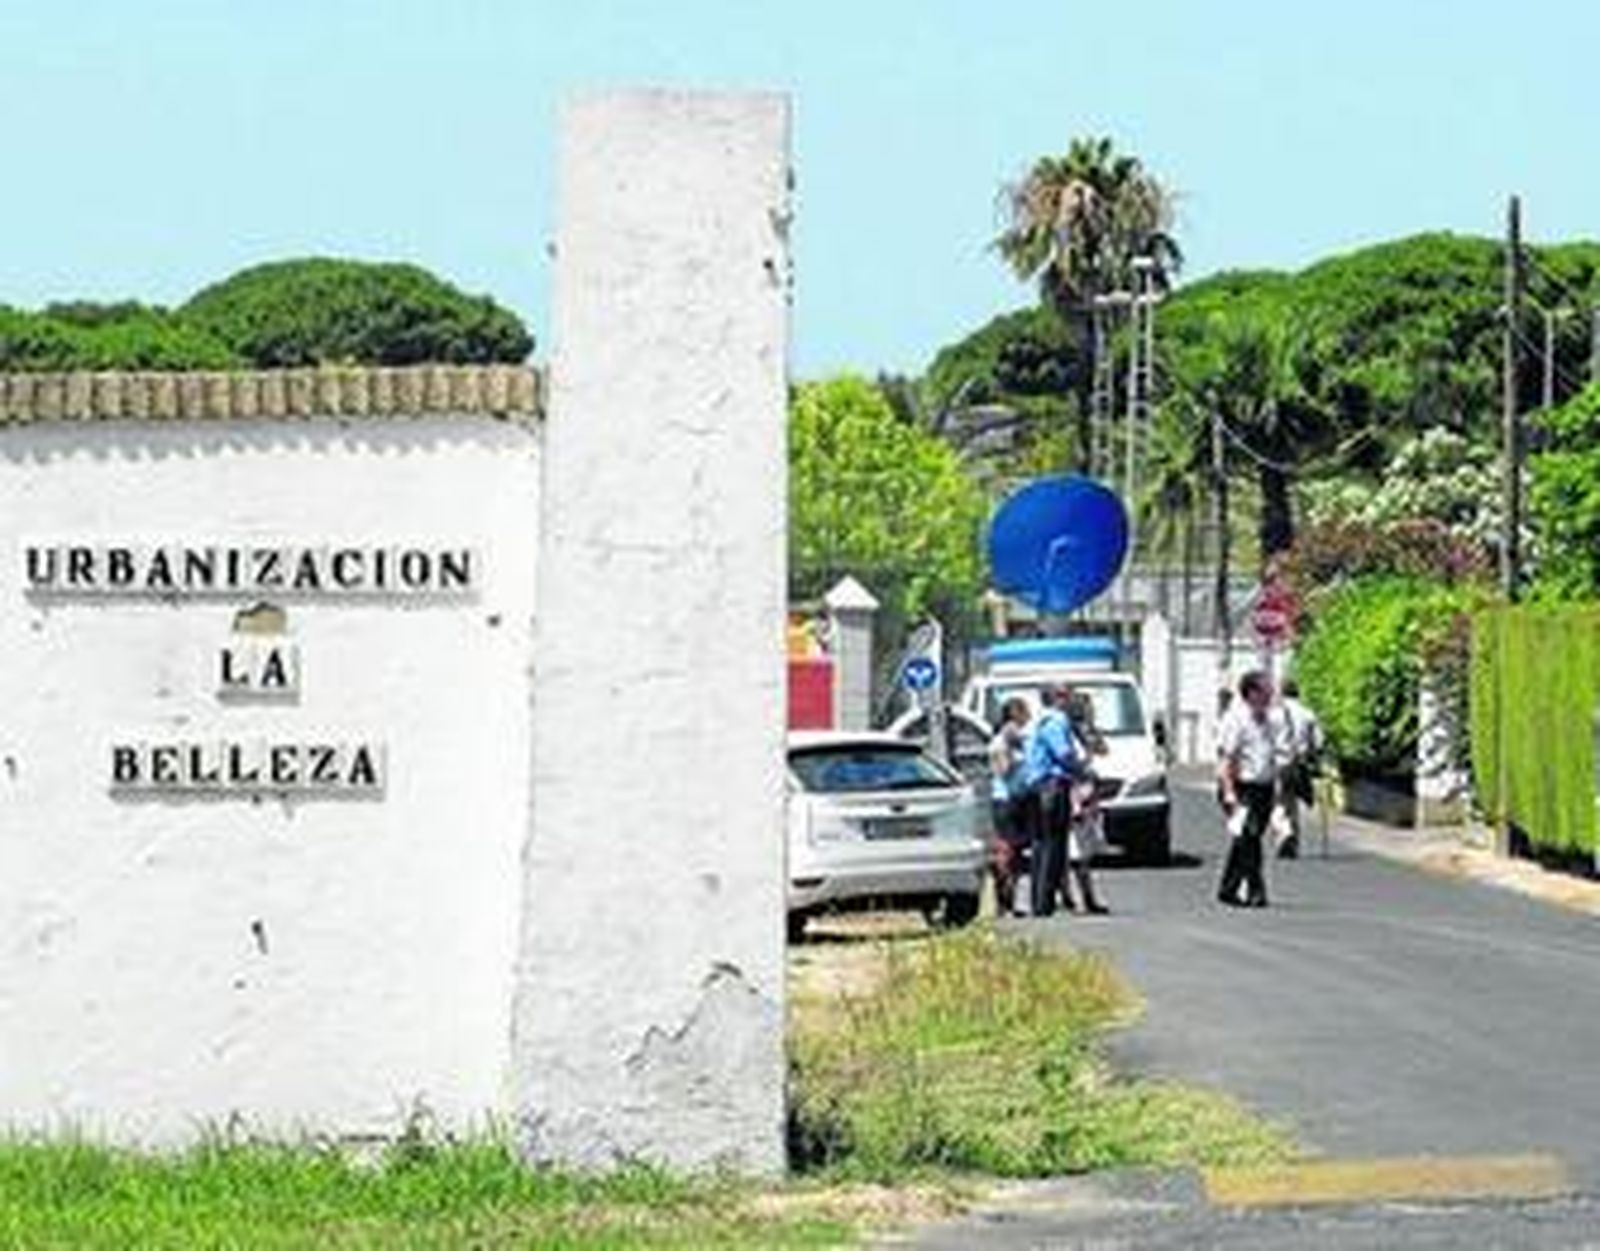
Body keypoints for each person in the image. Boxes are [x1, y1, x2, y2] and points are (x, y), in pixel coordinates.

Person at [1216, 670, 1283, 908]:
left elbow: (1273, 756)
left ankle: (1228, 888)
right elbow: (1227, 759)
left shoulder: (1272, 721)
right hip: (1241, 787)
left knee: (1244, 840)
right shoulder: (1236, 720)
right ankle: (1257, 890)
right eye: (1266, 691)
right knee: (1250, 837)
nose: (1270, 695)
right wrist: (1229, 792)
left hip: (1263, 787)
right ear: (1252, 693)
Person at [1020, 685, 1077, 917]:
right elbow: (1062, 754)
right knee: (1054, 845)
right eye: (1065, 696)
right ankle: (1045, 901)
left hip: (1035, 785)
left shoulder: (1036, 722)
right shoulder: (1056, 720)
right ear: (1056, 699)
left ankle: (1039, 899)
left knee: (1040, 844)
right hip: (1052, 786)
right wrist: (1082, 770)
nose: (1069, 700)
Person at [1063, 689, 1110, 915]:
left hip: (1088, 794)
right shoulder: (1066, 734)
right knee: (1075, 851)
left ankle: (1084, 896)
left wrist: (1092, 732)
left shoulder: (1086, 734)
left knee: (1084, 850)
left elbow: (1103, 750)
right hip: (1074, 794)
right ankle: (1075, 897)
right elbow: (1070, 763)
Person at [986, 697, 1033, 916]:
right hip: (1005, 800)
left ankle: (1012, 899)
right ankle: (1002, 899)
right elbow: (1002, 771)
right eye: (1023, 713)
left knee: (1018, 852)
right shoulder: (1000, 742)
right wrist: (1013, 753)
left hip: (1020, 799)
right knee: (1007, 850)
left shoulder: (1021, 740)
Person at [1272, 677, 1325, 859]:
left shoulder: (1274, 714)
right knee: (1293, 803)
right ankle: (1293, 844)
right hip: (1300, 764)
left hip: (1279, 762)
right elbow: (1319, 742)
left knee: (1278, 803)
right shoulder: (1308, 714)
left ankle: (1285, 832)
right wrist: (1313, 756)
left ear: (1281, 693)